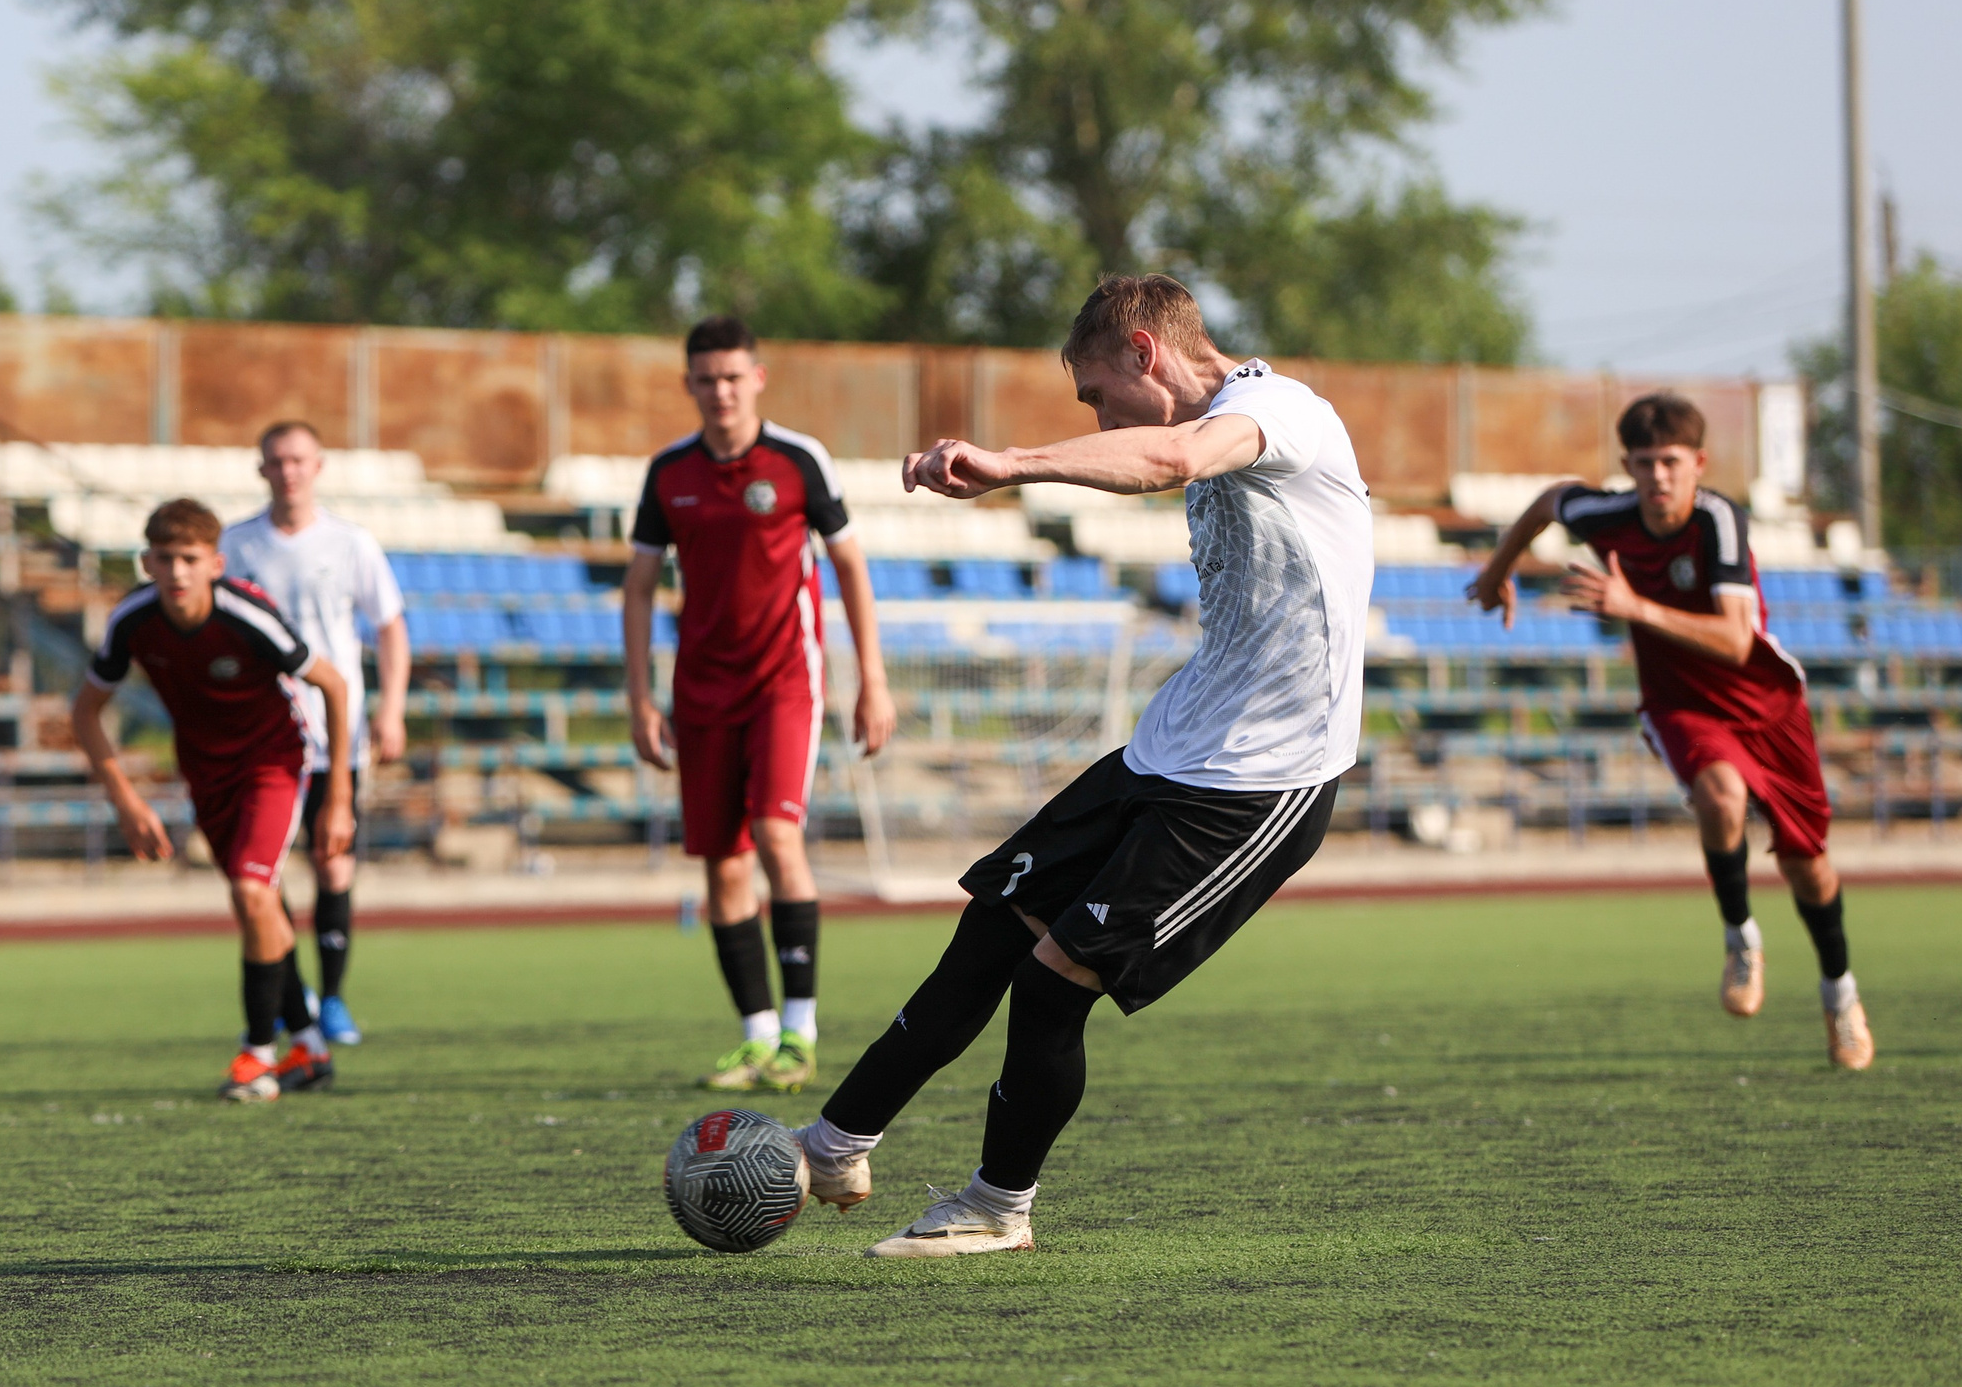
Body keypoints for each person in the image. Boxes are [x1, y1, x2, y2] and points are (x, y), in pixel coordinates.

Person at [792, 274, 1371, 1258]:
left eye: (1098, 393)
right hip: (1169, 750)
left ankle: (997, 1207)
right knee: (990, 931)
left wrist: (1012, 463)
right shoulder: (1221, 421)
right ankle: (835, 1143)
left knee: (1053, 984)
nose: (1098, 418)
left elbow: (1174, 457)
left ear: (1146, 351)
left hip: (1260, 783)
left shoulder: (1280, 410)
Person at [1467, 394, 1874, 1070]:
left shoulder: (1718, 520)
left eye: (1672, 462)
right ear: (1627, 465)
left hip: (1767, 705)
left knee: (1808, 865)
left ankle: (1841, 995)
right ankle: (1741, 939)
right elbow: (1548, 502)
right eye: (1645, 462)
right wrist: (1495, 571)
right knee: (1720, 797)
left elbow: (1737, 640)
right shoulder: (1608, 515)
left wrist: (1634, 607)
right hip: (1682, 705)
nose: (1658, 476)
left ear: (1699, 463)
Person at [622, 315, 896, 1095]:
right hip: (699, 691)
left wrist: (872, 678)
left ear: (758, 378)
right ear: (689, 384)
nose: (721, 391)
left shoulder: (799, 460)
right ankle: (757, 1037)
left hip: (785, 682)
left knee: (777, 833)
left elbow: (849, 565)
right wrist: (639, 696)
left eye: (733, 377)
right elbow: (638, 587)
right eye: (707, 379)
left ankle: (801, 1033)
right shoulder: (668, 473)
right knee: (723, 865)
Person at [72, 499, 358, 1101]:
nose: (177, 572)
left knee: (251, 892)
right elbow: (86, 710)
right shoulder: (132, 621)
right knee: (260, 906)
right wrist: (126, 801)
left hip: (273, 761)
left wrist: (339, 796)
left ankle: (258, 1055)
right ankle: (309, 1048)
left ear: (215, 564)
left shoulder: (245, 614)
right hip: (205, 773)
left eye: (190, 559)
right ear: (146, 563)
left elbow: (332, 684)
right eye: (165, 559)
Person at [219, 421, 411, 1048]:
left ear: (318, 466)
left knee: (333, 864)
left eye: (298, 460)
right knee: (263, 874)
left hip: (335, 735)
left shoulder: (350, 543)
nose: (288, 472)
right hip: (264, 738)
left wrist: (391, 708)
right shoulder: (236, 545)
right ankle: (290, 994)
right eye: (277, 461)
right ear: (261, 470)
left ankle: (331, 998)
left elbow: (390, 625)